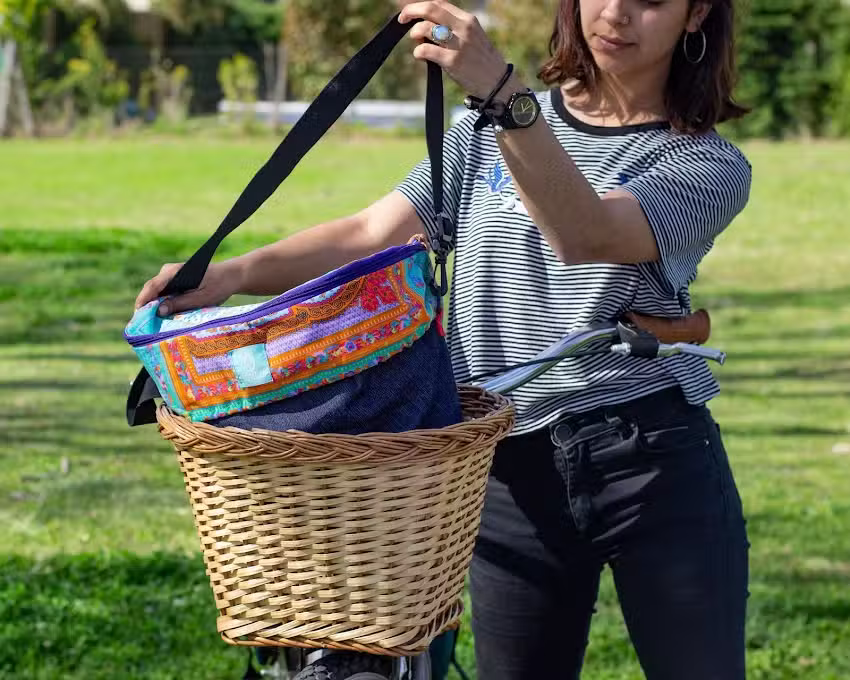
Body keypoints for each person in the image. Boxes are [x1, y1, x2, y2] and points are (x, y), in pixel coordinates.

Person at [135, 0, 752, 677]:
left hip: (651, 460)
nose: (616, 13)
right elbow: (374, 233)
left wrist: (505, 95)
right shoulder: (480, 133)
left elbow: (586, 234)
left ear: (696, 17)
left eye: (652, 0)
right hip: (501, 463)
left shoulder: (706, 164)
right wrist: (230, 273)